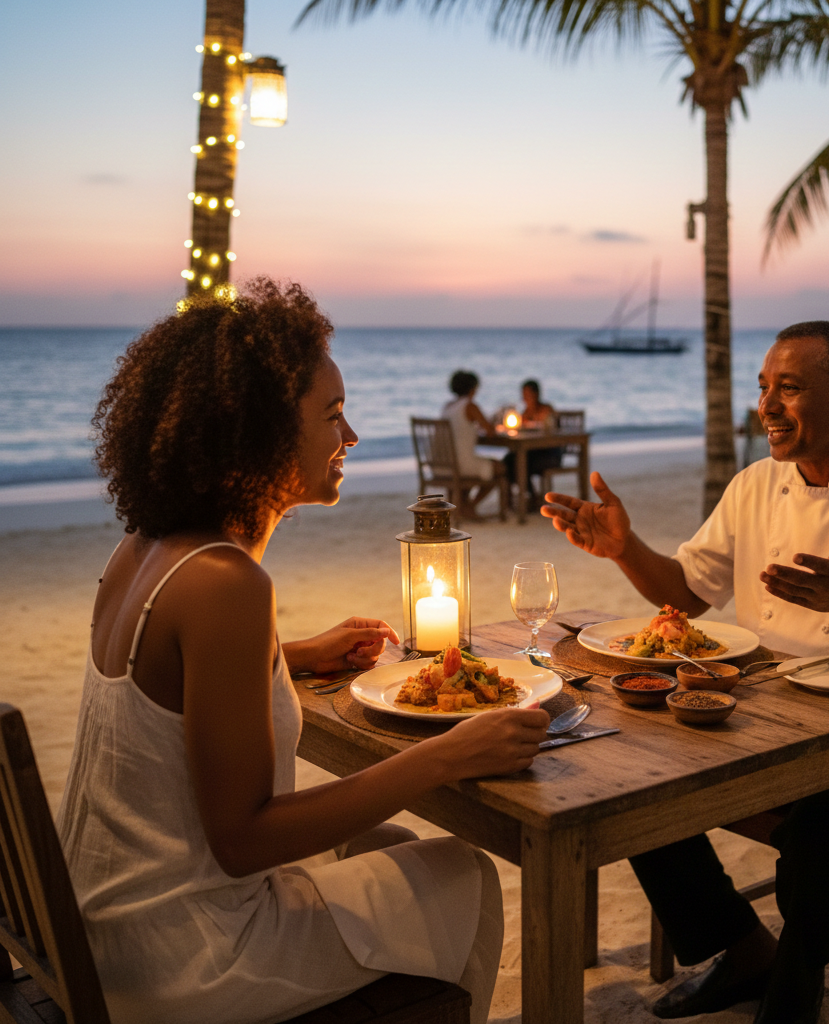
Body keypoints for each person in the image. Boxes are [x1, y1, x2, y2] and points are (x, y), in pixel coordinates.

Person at [57, 280, 549, 1024]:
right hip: (182, 962)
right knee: (464, 872)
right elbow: (244, 839)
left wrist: (293, 654)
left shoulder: (144, 552)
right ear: (254, 434)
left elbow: (163, 686)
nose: (349, 438)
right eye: (332, 417)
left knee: (383, 840)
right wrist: (447, 756)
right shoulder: (228, 583)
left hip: (102, 929)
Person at [541, 321, 829, 1023]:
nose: (767, 406)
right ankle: (745, 946)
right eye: (762, 388)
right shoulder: (755, 485)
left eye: (789, 388)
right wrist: (625, 550)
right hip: (763, 720)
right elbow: (688, 589)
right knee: (631, 775)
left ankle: (797, 978)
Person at [441, 369, 506, 517]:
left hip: (444, 465)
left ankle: (463, 505)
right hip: (462, 465)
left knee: (480, 464)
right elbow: (489, 430)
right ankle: (471, 505)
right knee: (500, 468)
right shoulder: (469, 406)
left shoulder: (447, 407)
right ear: (473, 388)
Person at [503, 379, 562, 510]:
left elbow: (552, 428)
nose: (525, 397)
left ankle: (532, 498)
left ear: (536, 394)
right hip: (532, 453)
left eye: (527, 394)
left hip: (549, 454)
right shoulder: (524, 413)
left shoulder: (546, 409)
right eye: (523, 394)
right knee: (509, 460)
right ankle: (519, 498)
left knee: (520, 462)